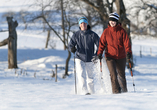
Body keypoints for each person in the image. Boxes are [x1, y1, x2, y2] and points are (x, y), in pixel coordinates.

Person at [97, 12, 132, 94]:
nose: (112, 22)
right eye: (110, 21)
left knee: (121, 75)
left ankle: (124, 91)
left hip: (121, 56)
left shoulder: (122, 31)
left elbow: (127, 43)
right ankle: (116, 92)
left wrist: (128, 52)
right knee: (113, 75)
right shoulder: (106, 31)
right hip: (110, 56)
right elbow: (102, 43)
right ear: (109, 21)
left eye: (114, 21)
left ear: (117, 21)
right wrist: (99, 52)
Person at [68, 17, 100, 95]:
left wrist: (97, 54)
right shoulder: (76, 35)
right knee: (81, 74)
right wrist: (72, 48)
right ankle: (84, 91)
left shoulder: (93, 34)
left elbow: (100, 45)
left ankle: (91, 92)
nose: (83, 25)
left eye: (85, 23)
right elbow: (70, 45)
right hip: (79, 57)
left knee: (90, 77)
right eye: (81, 23)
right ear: (79, 25)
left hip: (90, 58)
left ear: (87, 24)